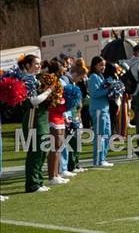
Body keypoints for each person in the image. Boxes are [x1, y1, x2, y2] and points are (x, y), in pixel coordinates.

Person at [18, 55, 54, 193]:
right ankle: (32, 184)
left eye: (40, 64)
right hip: (33, 120)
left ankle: (38, 180)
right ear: (27, 66)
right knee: (35, 152)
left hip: (42, 119)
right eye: (36, 64)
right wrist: (49, 91)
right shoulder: (25, 80)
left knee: (42, 152)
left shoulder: (36, 79)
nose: (39, 66)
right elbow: (33, 101)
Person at [60, 59, 88, 173]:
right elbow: (62, 101)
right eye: (80, 77)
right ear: (75, 74)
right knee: (68, 141)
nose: (81, 80)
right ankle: (66, 167)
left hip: (74, 114)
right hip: (66, 115)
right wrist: (66, 116)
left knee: (76, 140)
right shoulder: (63, 81)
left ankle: (75, 164)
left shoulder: (72, 81)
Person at [88, 56, 113, 167]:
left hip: (104, 109)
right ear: (95, 65)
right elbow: (94, 94)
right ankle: (98, 160)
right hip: (98, 109)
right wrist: (108, 90)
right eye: (101, 65)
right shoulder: (93, 77)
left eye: (104, 65)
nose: (103, 67)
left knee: (107, 134)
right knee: (100, 135)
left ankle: (102, 158)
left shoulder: (100, 76)